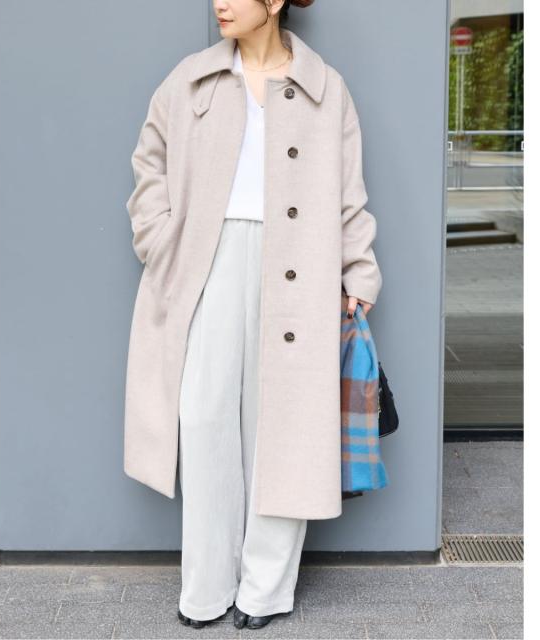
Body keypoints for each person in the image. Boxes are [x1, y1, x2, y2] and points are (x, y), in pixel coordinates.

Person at [124, 0, 383, 631]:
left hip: (299, 267)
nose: (220, 3)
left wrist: (358, 270)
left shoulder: (325, 88)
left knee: (283, 426)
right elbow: (149, 163)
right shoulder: (191, 79)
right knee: (204, 417)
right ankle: (207, 587)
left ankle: (264, 590)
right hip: (206, 261)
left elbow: (349, 193)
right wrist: (159, 237)